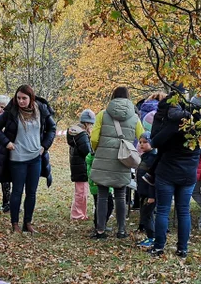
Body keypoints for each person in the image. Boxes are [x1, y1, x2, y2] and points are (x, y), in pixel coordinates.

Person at [0, 85, 57, 233]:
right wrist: (7, 142)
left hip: (35, 158)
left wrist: (44, 146)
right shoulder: (11, 110)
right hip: (17, 159)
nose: (21, 101)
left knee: (31, 192)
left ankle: (28, 223)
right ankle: (15, 224)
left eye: (24, 98)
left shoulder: (41, 109)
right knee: (17, 191)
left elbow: (52, 129)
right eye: (18, 98)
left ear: (31, 98)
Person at [149, 89, 201, 257]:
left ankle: (159, 247)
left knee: (163, 210)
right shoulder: (198, 124)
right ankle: (182, 248)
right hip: (188, 173)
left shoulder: (171, 125)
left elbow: (155, 142)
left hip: (167, 171)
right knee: (183, 211)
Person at [89, 87, 138, 239]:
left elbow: (94, 138)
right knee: (121, 196)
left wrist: (99, 150)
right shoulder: (135, 117)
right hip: (123, 160)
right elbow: (141, 136)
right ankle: (121, 230)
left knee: (103, 196)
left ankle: (100, 230)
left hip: (104, 158)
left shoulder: (102, 115)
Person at [67, 109, 95, 220]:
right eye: (91, 124)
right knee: (81, 193)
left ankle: (79, 212)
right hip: (81, 166)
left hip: (76, 165)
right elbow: (86, 151)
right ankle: (78, 214)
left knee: (80, 191)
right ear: (87, 123)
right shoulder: (82, 135)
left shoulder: (74, 133)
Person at [135, 132, 156, 247]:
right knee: (145, 214)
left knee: (147, 215)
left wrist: (152, 195)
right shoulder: (145, 156)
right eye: (140, 142)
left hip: (149, 193)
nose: (142, 145)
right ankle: (151, 235)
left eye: (145, 142)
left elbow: (153, 178)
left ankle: (151, 237)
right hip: (143, 191)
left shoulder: (153, 157)